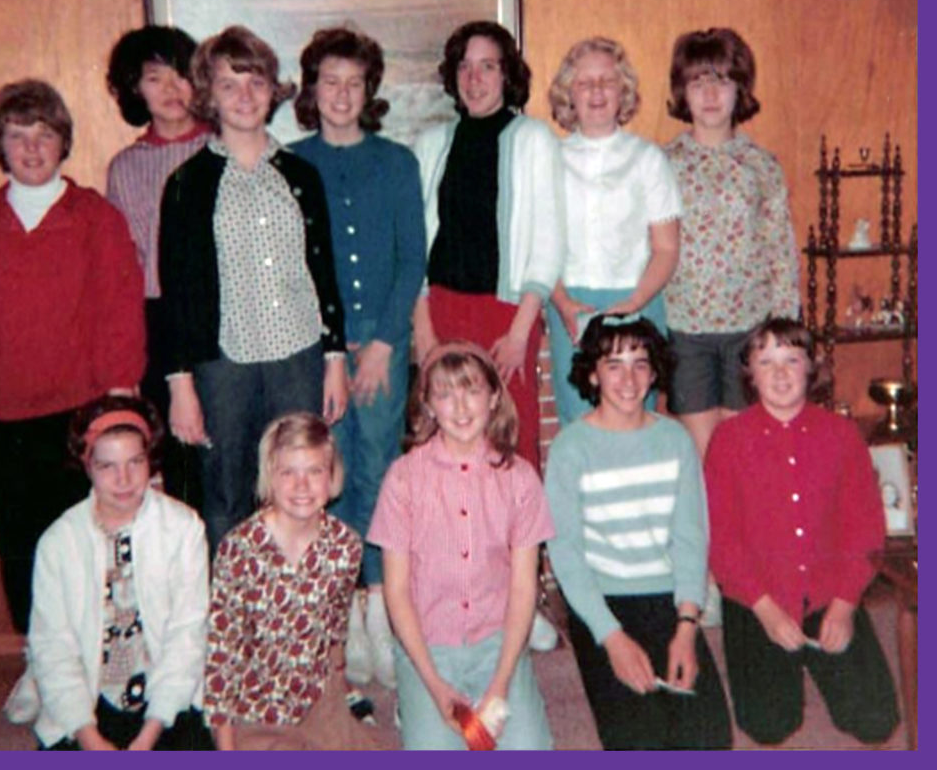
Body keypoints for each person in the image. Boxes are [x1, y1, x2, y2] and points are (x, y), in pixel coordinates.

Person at [0, 79, 145, 634]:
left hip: (82, 409)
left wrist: (120, 395)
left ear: (63, 142)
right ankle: (39, 658)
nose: (31, 148)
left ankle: (96, 652)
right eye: (17, 135)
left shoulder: (94, 216)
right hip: (5, 414)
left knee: (89, 534)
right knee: (20, 541)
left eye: (44, 134)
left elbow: (120, 307)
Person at [158, 24, 347, 555]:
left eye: (256, 83)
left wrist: (334, 359)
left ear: (273, 91)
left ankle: (299, 611)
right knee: (226, 490)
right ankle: (237, 619)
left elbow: (322, 271)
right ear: (209, 95)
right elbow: (175, 294)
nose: (244, 97)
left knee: (302, 484)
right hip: (224, 364)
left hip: (298, 355)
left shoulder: (301, 175)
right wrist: (181, 387)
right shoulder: (187, 185)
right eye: (228, 85)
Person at [291, 26, 426, 689]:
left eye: (354, 82)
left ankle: (379, 608)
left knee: (376, 466)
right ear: (311, 90)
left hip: (382, 342)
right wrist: (332, 349)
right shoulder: (290, 162)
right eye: (330, 81)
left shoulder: (396, 161)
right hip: (316, 346)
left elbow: (410, 259)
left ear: (369, 90)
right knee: (326, 471)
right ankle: (340, 610)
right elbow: (297, 268)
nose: (341, 94)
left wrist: (379, 341)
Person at [704, 317, 899, 746]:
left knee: (876, 722)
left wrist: (846, 606)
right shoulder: (728, 440)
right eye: (766, 361)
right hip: (758, 597)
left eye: (791, 360)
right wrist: (766, 611)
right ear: (749, 374)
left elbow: (865, 528)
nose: (779, 373)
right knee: (769, 726)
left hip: (828, 591)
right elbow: (722, 540)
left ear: (811, 368)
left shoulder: (842, 435)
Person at [544, 315, 732, 750]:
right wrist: (611, 638)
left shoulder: (675, 441)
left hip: (668, 601)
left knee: (710, 741)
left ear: (654, 372)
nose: (629, 379)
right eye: (614, 365)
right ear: (592, 373)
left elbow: (689, 538)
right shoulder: (571, 448)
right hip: (602, 602)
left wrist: (687, 628)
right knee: (639, 742)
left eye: (640, 364)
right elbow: (567, 555)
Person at [367, 341, 555, 750]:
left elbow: (524, 587)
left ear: (493, 399)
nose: (461, 406)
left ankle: (517, 684)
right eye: (445, 394)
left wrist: (501, 683)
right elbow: (396, 593)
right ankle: (412, 698)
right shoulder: (403, 478)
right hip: (429, 649)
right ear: (429, 406)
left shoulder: (520, 478)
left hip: (497, 645)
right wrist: (434, 686)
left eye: (471, 390)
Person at [412, 20, 564, 474]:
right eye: (465, 67)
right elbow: (416, 243)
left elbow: (548, 237)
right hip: (440, 309)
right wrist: (423, 329)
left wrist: (521, 331)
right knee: (442, 435)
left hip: (506, 314)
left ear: (507, 75)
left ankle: (517, 546)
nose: (475, 79)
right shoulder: (431, 143)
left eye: (488, 67)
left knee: (509, 439)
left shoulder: (534, 139)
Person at [22, 395, 211, 750]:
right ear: (87, 465)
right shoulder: (59, 542)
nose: (123, 479)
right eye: (108, 466)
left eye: (135, 462)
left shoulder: (184, 528)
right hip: (90, 704)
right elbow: (52, 648)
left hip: (166, 701)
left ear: (150, 461)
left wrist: (149, 735)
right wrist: (89, 738)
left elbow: (188, 634)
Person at [203, 412, 382, 750]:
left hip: (318, 700)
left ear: (332, 478)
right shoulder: (239, 549)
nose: (302, 486)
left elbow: (335, 627)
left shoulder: (345, 544)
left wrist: (337, 688)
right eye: (288, 473)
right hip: (255, 709)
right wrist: (225, 748)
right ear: (270, 477)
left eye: (315, 472)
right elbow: (221, 655)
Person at [663, 27, 800, 458]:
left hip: (750, 330)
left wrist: (782, 331)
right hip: (687, 331)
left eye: (720, 80)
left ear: (739, 89)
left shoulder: (761, 166)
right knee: (703, 458)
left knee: (747, 453)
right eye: (697, 81)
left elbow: (780, 249)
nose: (709, 94)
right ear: (682, 93)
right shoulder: (663, 164)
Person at [546, 36, 681, 426]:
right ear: (569, 93)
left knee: (635, 420)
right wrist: (563, 302)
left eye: (607, 81)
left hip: (639, 300)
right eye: (585, 82)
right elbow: (537, 247)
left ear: (624, 91)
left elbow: (667, 249)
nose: (597, 92)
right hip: (571, 306)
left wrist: (635, 302)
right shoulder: (549, 159)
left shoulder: (648, 159)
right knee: (581, 422)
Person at [105, 24, 211, 507]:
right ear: (134, 89)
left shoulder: (222, 149)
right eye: (154, 78)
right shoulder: (126, 167)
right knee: (174, 466)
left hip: (223, 322)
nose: (171, 90)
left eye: (180, 75)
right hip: (158, 324)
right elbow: (124, 269)